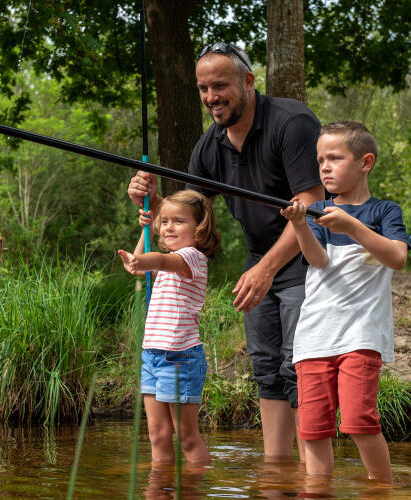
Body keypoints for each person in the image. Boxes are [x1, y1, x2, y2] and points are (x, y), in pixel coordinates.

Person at [128, 43, 326, 460]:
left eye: (220, 85)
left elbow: (310, 200)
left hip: (308, 256)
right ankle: (277, 471)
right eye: (203, 88)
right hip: (260, 257)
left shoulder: (292, 123)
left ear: (249, 82)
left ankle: (314, 478)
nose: (211, 96)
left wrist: (266, 269)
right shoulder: (209, 145)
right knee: (266, 367)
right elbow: (184, 215)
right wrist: (148, 199)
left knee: (299, 366)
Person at [280, 121, 409, 482]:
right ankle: (316, 490)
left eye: (335, 158)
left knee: (359, 422)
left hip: (361, 337)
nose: (324, 166)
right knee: (313, 429)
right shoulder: (319, 210)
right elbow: (318, 260)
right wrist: (302, 224)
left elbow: (397, 258)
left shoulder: (385, 212)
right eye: (321, 159)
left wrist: (352, 226)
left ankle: (380, 490)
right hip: (314, 339)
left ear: (365, 162)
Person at [118, 189, 221, 463]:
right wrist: (146, 230)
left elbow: (159, 261)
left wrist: (140, 259)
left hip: (180, 358)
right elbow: (137, 268)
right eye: (164, 222)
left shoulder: (191, 258)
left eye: (178, 221)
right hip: (151, 355)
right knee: (158, 434)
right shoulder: (166, 261)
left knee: (187, 437)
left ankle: (193, 488)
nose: (169, 227)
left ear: (198, 229)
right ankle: (159, 489)